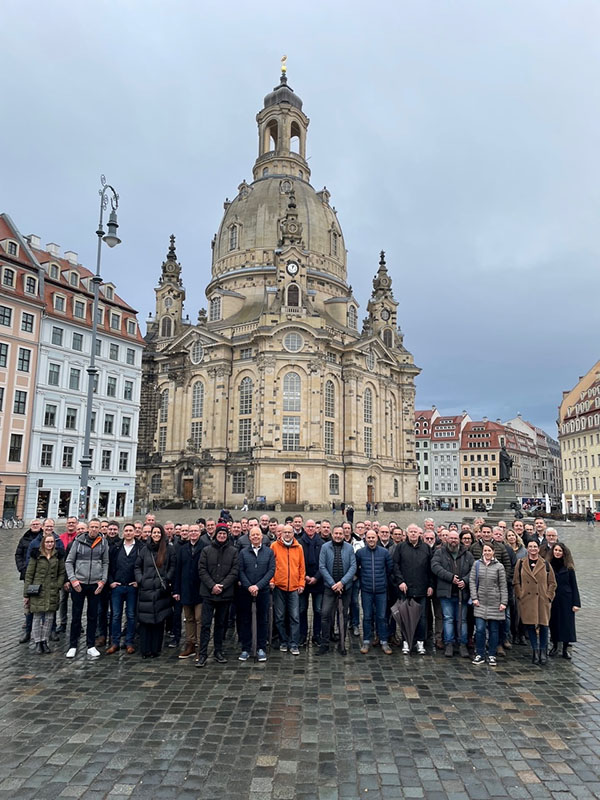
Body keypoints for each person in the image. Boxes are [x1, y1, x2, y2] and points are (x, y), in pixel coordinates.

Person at [65, 518, 109, 659]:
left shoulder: (103, 543)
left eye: (97, 527)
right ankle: (73, 645)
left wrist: (103, 581)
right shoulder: (77, 542)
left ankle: (91, 645)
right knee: (76, 616)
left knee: (92, 616)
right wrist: (73, 580)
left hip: (95, 585)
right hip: (79, 583)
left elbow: (106, 563)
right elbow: (69, 561)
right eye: (92, 527)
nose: (94, 529)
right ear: (88, 528)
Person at [197, 524, 239, 666]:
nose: (222, 536)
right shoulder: (206, 550)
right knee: (205, 625)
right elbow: (202, 570)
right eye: (220, 534)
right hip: (208, 593)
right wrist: (212, 585)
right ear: (215, 535)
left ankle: (218, 651)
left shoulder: (233, 551)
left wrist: (222, 585)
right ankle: (202, 654)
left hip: (225, 593)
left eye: (224, 534)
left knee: (221, 624)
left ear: (227, 536)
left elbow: (234, 571)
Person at [135, 524, 176, 658]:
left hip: (160, 589)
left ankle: (155, 649)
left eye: (159, 532)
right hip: (146, 589)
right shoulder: (144, 550)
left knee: (159, 621)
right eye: (154, 532)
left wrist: (166, 579)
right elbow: (137, 566)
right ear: (151, 534)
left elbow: (172, 566)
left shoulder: (168, 549)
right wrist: (141, 580)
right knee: (145, 621)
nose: (156, 535)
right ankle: (145, 649)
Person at [431, 529, 473, 658]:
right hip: (446, 592)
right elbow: (435, 566)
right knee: (448, 619)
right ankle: (449, 643)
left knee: (462, 620)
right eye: (451, 538)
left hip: (462, 592)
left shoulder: (467, 554)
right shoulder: (440, 552)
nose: (453, 541)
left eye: (455, 538)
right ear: (446, 539)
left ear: (459, 540)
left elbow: (474, 570)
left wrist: (465, 581)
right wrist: (450, 577)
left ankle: (462, 644)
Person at [513, 540, 557, 664]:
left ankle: (543, 651)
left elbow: (552, 583)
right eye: (530, 547)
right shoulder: (521, 563)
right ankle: (535, 650)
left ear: (538, 549)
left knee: (544, 625)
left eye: (535, 547)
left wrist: (549, 596)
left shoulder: (546, 564)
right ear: (527, 548)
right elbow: (516, 581)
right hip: (527, 600)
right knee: (530, 625)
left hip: (542, 600)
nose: (533, 549)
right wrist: (520, 595)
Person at [23, 531, 66, 654]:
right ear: (43, 543)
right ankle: (37, 642)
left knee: (49, 618)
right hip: (37, 589)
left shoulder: (58, 556)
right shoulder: (36, 555)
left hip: (52, 589)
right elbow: (29, 574)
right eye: (47, 542)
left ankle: (44, 641)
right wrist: (26, 594)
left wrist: (58, 584)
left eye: (52, 542)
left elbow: (61, 572)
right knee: (37, 617)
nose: (49, 544)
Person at [237, 526, 275, 661]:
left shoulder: (269, 552)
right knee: (245, 620)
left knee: (262, 619)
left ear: (262, 537)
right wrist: (249, 586)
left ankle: (261, 648)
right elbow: (240, 571)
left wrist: (258, 586)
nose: (255, 537)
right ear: (249, 537)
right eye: (253, 535)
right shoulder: (243, 552)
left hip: (263, 590)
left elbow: (271, 571)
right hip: (246, 591)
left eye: (257, 535)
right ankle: (246, 648)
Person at [394, 524, 433, 655]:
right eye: (411, 532)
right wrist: (400, 581)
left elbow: (430, 569)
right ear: (407, 533)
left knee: (421, 617)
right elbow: (395, 566)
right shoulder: (400, 547)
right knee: (406, 617)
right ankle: (406, 641)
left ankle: (420, 642)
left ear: (419, 534)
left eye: (415, 532)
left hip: (422, 588)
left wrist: (430, 585)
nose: (413, 534)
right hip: (406, 588)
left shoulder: (426, 548)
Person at [317, 525, 356, 656]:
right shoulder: (325, 547)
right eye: (336, 533)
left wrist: (342, 582)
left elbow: (353, 567)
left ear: (344, 534)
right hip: (330, 587)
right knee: (325, 615)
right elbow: (322, 567)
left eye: (340, 533)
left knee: (343, 616)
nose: (338, 536)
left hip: (345, 588)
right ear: (332, 534)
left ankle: (342, 644)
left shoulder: (350, 548)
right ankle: (325, 643)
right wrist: (333, 583)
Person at [356, 529, 394, 655]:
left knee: (381, 616)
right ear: (365, 539)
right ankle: (366, 640)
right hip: (366, 590)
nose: (371, 540)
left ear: (376, 538)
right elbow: (357, 569)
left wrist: (382, 581)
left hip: (381, 590)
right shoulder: (360, 553)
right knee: (367, 617)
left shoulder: (384, 552)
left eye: (373, 537)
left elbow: (389, 569)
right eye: (369, 537)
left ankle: (384, 640)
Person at [469, 543, 508, 666]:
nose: (487, 552)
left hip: (494, 602)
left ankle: (491, 654)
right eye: (485, 550)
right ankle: (480, 653)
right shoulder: (477, 564)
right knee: (480, 629)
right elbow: (472, 581)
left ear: (493, 552)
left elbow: (503, 585)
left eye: (489, 550)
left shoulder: (499, 566)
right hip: (480, 602)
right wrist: (474, 597)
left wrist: (503, 602)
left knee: (493, 630)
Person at [270, 524, 305, 655]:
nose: (287, 534)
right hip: (279, 586)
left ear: (293, 533)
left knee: (295, 616)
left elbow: (302, 567)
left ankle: (294, 643)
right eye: (285, 532)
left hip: (294, 587)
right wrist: (272, 581)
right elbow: (271, 565)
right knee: (279, 616)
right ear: (281, 534)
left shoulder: (299, 547)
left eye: (289, 532)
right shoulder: (274, 546)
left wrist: (301, 583)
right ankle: (283, 640)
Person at [106, 523, 140, 655]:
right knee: (116, 616)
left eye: (131, 531)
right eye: (126, 531)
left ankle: (129, 642)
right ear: (123, 532)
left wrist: (138, 581)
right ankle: (115, 642)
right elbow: (108, 565)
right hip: (117, 587)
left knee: (131, 615)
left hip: (132, 587)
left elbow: (142, 566)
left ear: (135, 532)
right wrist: (111, 582)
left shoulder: (140, 548)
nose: (129, 533)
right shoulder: (116, 547)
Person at [173, 523, 205, 659]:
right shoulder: (182, 549)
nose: (193, 533)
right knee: (188, 618)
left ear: (199, 532)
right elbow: (178, 570)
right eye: (191, 531)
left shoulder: (205, 547)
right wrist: (176, 590)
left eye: (195, 531)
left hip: (200, 590)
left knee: (199, 618)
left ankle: (199, 646)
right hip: (185, 588)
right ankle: (190, 644)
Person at [549, 543, 581, 659]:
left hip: (566, 598)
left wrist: (576, 603)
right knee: (554, 622)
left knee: (566, 623)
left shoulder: (569, 567)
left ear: (564, 553)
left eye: (560, 551)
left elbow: (574, 585)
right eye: (556, 550)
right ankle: (555, 645)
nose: (557, 552)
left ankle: (565, 648)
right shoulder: (548, 565)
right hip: (553, 598)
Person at [15, 518, 43, 643]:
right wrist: (22, 568)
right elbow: (18, 554)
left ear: (41, 525)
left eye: (37, 524)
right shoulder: (25, 538)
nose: (35, 526)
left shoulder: (45, 537)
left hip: (42, 576)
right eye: (33, 524)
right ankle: (28, 626)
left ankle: (41, 625)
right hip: (28, 575)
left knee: (41, 600)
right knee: (28, 600)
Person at [299, 520, 323, 646]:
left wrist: (316, 577)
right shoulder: (299, 543)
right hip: (303, 581)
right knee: (302, 609)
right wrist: (305, 577)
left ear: (316, 528)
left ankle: (317, 634)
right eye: (308, 527)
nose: (310, 529)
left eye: (312, 527)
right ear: (305, 527)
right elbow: (297, 563)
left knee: (318, 610)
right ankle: (302, 634)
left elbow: (324, 564)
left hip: (318, 582)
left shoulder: (322, 543)